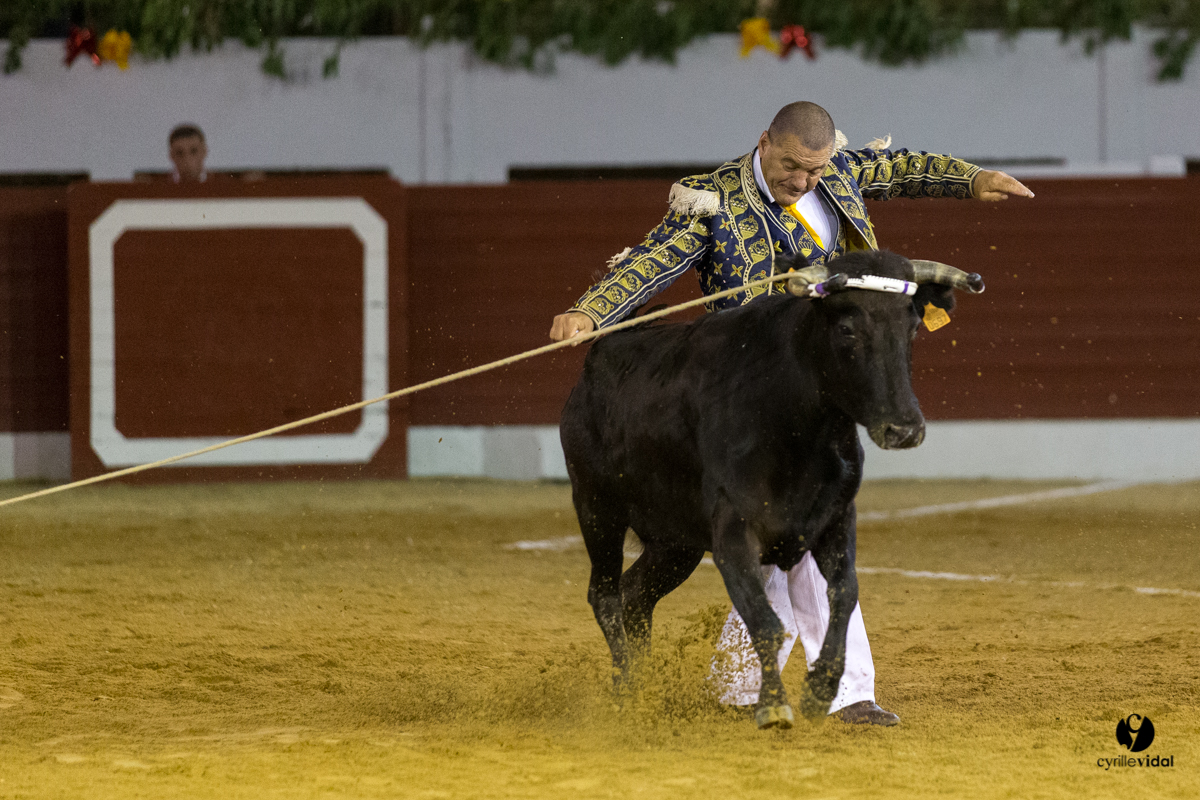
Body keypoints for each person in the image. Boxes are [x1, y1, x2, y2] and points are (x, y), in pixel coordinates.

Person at [549, 101, 1033, 726]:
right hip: (746, 393)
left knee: (800, 532)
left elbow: (901, 169)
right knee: (794, 535)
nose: (802, 181)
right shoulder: (712, 199)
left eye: (814, 170)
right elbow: (654, 259)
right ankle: (830, 691)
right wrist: (593, 309)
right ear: (764, 143)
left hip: (823, 385)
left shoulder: (837, 174)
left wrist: (971, 179)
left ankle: (752, 684)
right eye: (791, 167)